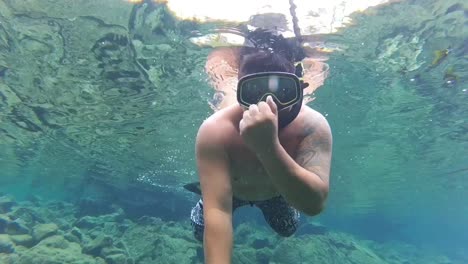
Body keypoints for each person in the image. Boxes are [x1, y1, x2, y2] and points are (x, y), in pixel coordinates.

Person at [190, 32, 333, 264]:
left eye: (283, 91)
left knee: (288, 229)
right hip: (231, 192)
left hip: (278, 195)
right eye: (254, 92)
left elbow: (314, 204)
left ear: (299, 87)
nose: (269, 103)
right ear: (238, 92)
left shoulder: (312, 125)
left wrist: (268, 146)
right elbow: (218, 212)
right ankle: (206, 193)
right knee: (200, 229)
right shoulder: (216, 129)